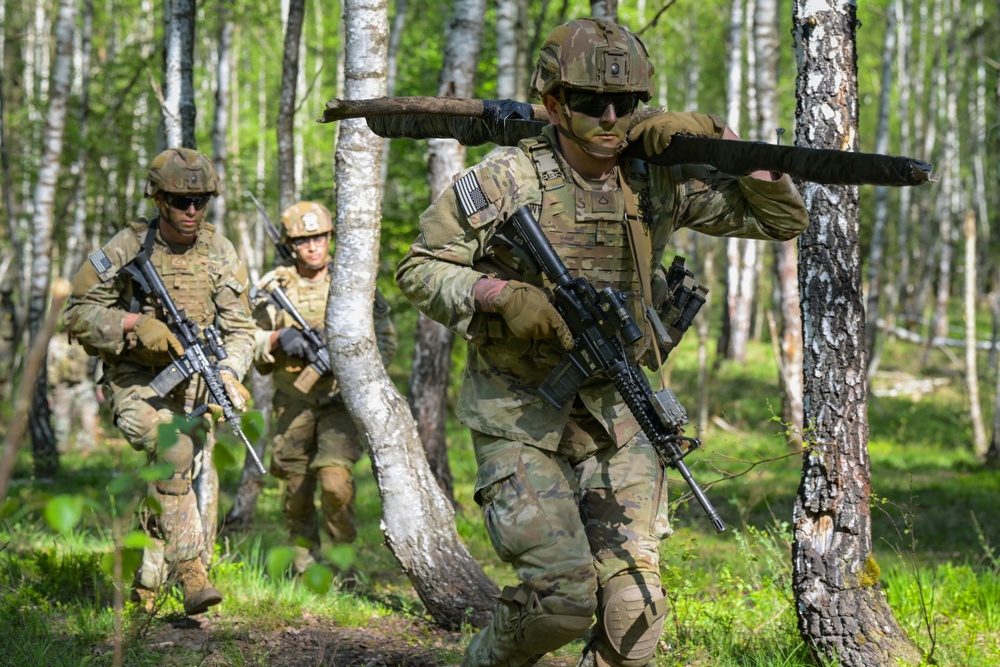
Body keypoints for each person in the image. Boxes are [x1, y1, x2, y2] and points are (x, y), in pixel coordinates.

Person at [395, 17, 809, 667]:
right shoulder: (507, 179)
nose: (611, 116)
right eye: (591, 102)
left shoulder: (654, 182)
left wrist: (722, 138)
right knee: (562, 602)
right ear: (555, 104)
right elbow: (419, 267)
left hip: (620, 413)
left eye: (628, 104)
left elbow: (783, 219)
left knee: (636, 613)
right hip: (521, 414)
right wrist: (504, 296)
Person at [63, 147, 255, 615]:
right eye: (178, 200)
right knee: (174, 451)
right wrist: (131, 326)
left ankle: (146, 591)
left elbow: (241, 329)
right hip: (137, 381)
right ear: (157, 198)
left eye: (201, 201)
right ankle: (193, 576)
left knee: (170, 478)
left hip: (194, 384)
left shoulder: (219, 251)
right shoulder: (127, 247)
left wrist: (229, 373)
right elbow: (76, 312)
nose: (191, 211)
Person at [252, 201, 397, 575]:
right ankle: (303, 564)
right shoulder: (274, 287)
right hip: (293, 402)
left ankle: (342, 564)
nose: (313, 247)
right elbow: (246, 340)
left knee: (335, 483)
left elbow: (386, 339)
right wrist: (278, 338)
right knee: (297, 488)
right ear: (290, 245)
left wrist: (349, 359)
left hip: (338, 403)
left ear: (330, 237)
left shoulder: (351, 280)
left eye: (319, 237)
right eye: (303, 240)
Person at [47, 330, 101, 451]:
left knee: (89, 416)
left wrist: (99, 387)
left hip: (84, 384)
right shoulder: (55, 342)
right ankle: (61, 450)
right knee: (61, 422)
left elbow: (97, 363)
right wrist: (49, 392)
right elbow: (49, 365)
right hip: (61, 387)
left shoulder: (87, 341)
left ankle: (87, 450)